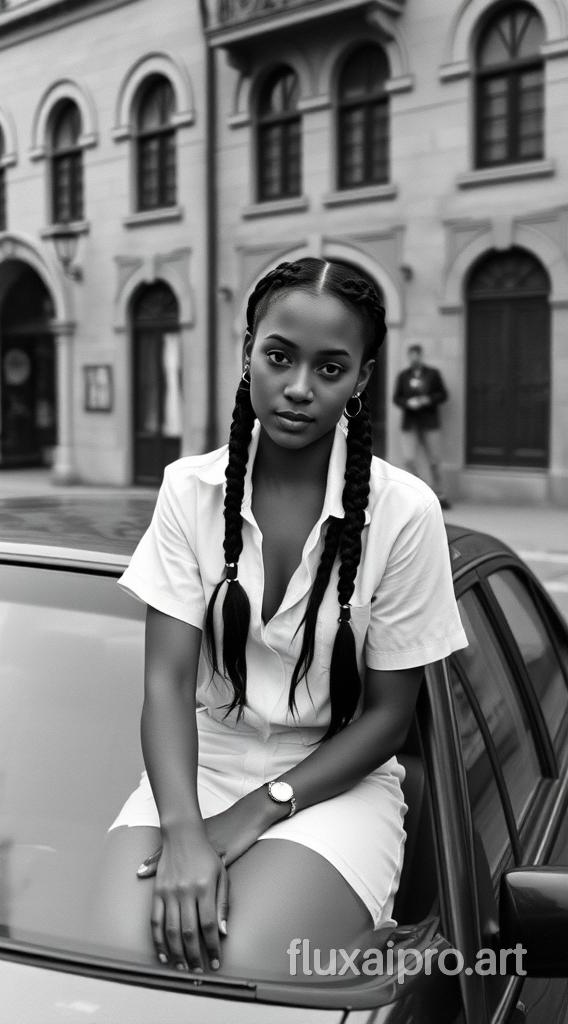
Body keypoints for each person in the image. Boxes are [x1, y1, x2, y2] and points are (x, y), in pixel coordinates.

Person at [90, 258, 467, 981]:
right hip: (198, 768)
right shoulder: (189, 490)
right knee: (112, 956)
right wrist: (184, 830)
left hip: (334, 782)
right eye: (280, 357)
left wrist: (261, 809)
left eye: (330, 367)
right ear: (248, 353)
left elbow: (389, 718)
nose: (299, 387)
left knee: (245, 962)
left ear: (361, 379)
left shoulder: (405, 512)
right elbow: (166, 683)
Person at [393, 344, 451, 509]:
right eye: (411, 355)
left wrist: (427, 400)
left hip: (429, 421)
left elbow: (443, 394)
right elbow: (397, 398)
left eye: (416, 355)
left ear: (420, 356)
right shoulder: (403, 376)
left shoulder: (432, 374)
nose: (414, 358)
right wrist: (407, 402)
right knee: (409, 458)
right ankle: (422, 492)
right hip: (410, 422)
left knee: (434, 460)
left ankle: (440, 493)